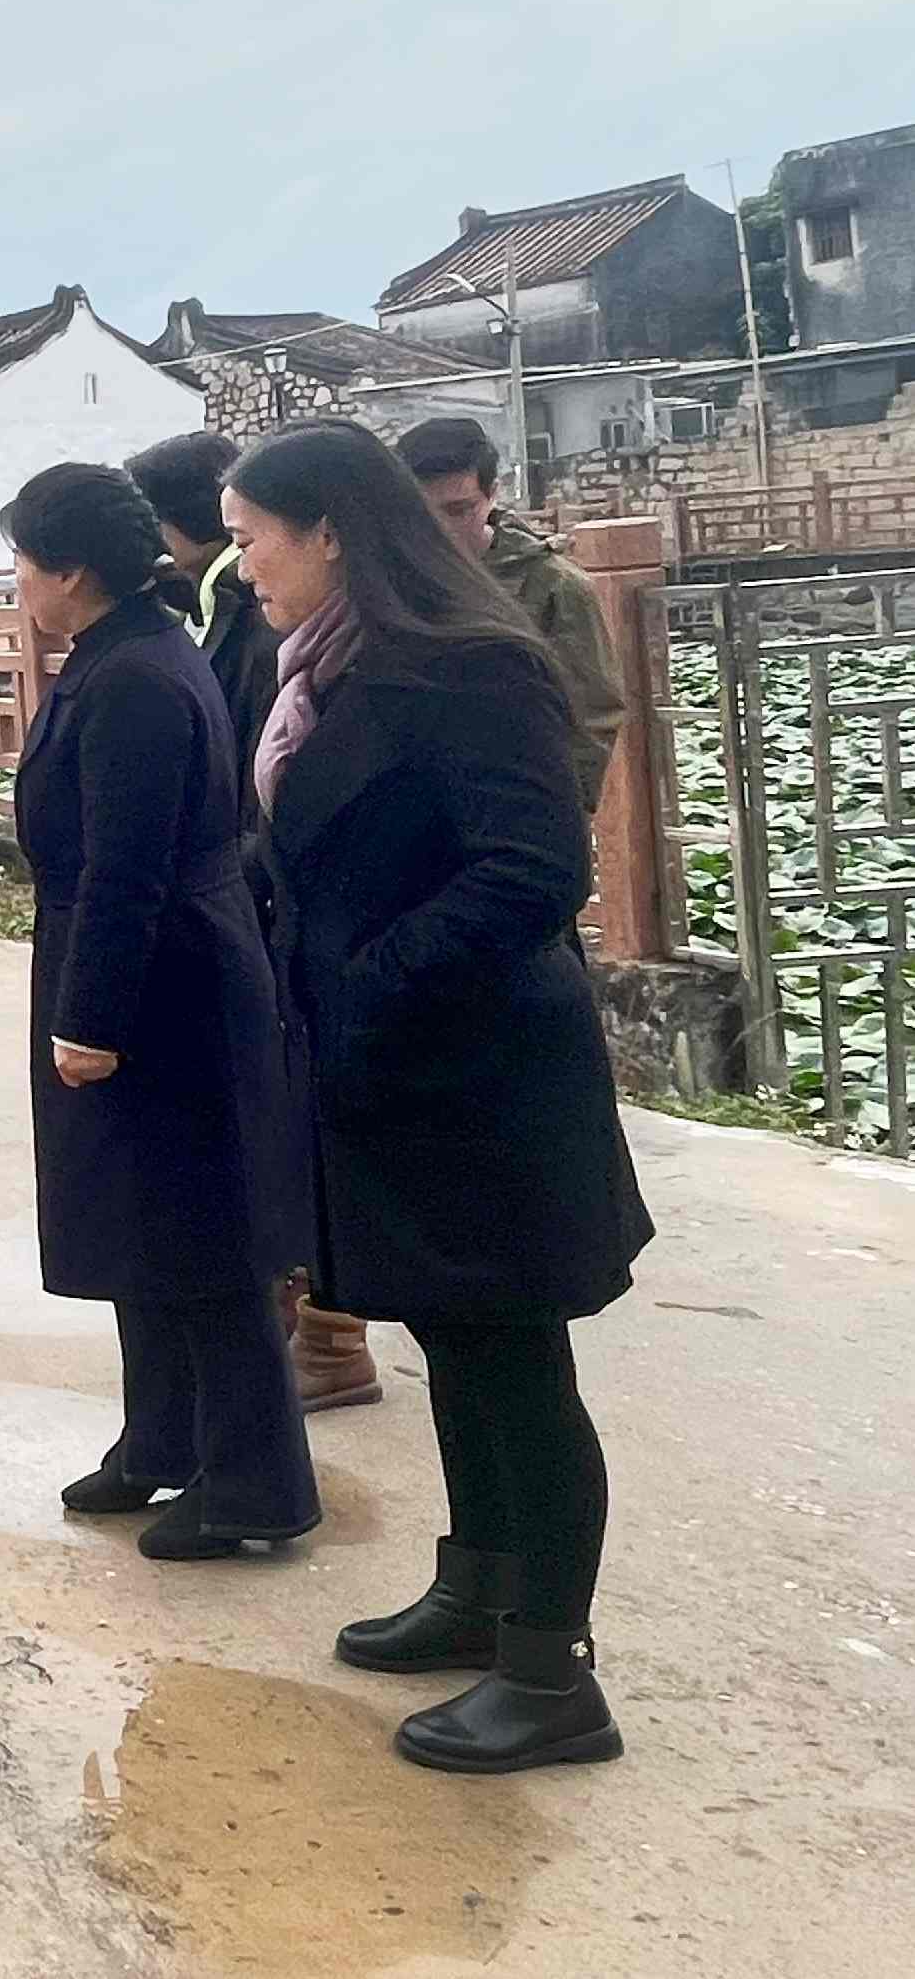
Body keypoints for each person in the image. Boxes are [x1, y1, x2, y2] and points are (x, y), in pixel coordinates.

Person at [227, 420, 655, 1775]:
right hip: (394, 1069)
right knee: (455, 1344)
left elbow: (531, 869)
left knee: (516, 1363)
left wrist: (370, 981)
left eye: (253, 539)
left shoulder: (471, 664)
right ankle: (478, 1588)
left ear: (330, 531)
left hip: (481, 1072)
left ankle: (552, 1673)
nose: (242, 566)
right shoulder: (330, 665)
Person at [6, 465, 319, 1561]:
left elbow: (126, 868)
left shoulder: (136, 676)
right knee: (138, 1225)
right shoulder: (119, 651)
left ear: (70, 572)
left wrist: (90, 1020)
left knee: (200, 1236)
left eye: (24, 561)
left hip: (165, 981)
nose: (18, 581)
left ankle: (255, 1484)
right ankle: (162, 1439)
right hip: (138, 961)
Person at [134, 424, 379, 1413]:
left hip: (335, 950)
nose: (242, 561)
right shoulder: (252, 621)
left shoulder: (340, 647)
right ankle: (307, 1312)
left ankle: (333, 1333)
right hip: (277, 917)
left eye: (252, 537)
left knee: (316, 1125)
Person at [393, 417, 625, 811]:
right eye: (423, 513)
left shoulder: (554, 588)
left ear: (492, 496)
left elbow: (592, 719)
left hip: (515, 809)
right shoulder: (386, 585)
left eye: (459, 510)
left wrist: (554, 814)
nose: (441, 529)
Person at [124, 429, 280, 803]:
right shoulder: (202, 596)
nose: (149, 538)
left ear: (189, 516)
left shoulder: (252, 604)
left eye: (152, 519)